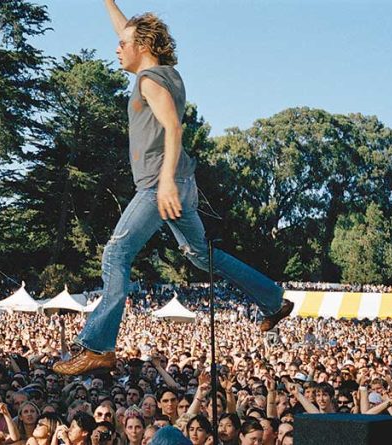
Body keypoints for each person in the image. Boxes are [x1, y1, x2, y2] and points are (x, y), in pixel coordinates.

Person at [53, 0, 292, 376]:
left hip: (159, 184)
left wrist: (164, 181)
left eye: (124, 43)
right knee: (201, 256)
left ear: (142, 47)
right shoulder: (165, 73)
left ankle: (98, 345)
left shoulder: (150, 81)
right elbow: (125, 29)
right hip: (179, 182)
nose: (117, 47)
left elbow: (173, 129)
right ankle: (273, 299)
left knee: (116, 255)